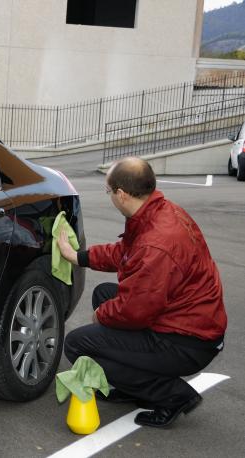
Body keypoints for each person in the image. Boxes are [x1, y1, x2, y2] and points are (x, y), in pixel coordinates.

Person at [57, 157, 227, 428]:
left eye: (108, 190)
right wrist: (79, 256)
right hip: (187, 319)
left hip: (187, 341)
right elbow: (125, 254)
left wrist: (102, 316)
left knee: (78, 344)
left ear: (122, 194)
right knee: (104, 293)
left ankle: (173, 396)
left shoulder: (156, 244)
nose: (110, 195)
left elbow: (135, 311)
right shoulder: (158, 212)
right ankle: (133, 385)